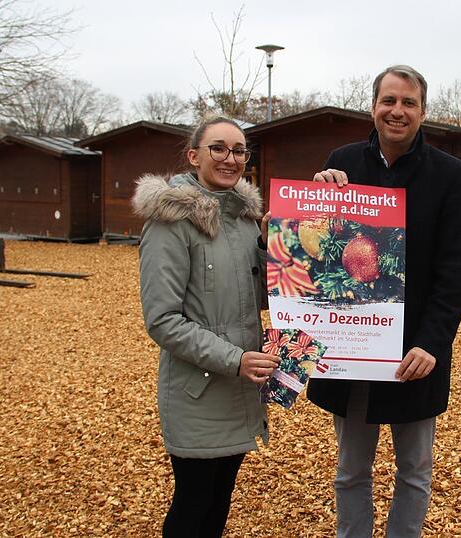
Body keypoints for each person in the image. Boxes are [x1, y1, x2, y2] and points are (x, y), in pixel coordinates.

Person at [308, 65, 461, 537]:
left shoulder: (450, 175)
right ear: (373, 106)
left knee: (415, 471)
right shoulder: (342, 163)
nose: (397, 111)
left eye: (408, 103)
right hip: (353, 345)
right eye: (389, 101)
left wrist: (432, 343)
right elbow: (317, 251)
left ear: (422, 111)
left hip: (413, 350)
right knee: (351, 470)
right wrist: (317, 199)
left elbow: (455, 271)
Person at [132, 115, 280, 537]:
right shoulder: (171, 221)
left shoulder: (245, 220)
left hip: (240, 388)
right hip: (199, 390)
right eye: (218, 148)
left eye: (238, 151)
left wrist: (280, 252)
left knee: (218, 502)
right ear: (194, 156)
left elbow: (261, 299)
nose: (230, 159)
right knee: (194, 503)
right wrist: (235, 360)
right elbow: (162, 320)